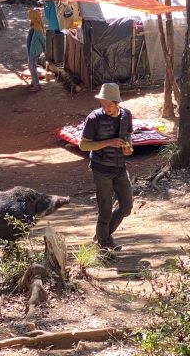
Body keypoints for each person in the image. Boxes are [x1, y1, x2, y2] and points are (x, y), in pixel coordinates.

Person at [79, 83, 134, 253]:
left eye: (109, 105)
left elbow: (128, 138)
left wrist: (128, 148)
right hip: (101, 169)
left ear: (117, 102)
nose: (105, 108)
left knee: (126, 207)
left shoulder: (126, 115)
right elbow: (83, 145)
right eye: (102, 104)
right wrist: (109, 142)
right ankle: (104, 244)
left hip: (120, 168)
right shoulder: (94, 118)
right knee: (105, 210)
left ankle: (102, 237)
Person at [26, 9, 46, 92]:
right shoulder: (33, 25)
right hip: (31, 50)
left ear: (34, 16)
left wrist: (45, 49)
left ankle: (37, 85)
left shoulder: (37, 27)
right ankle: (34, 81)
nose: (29, 16)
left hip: (34, 51)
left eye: (30, 15)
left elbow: (42, 39)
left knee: (32, 67)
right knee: (31, 66)